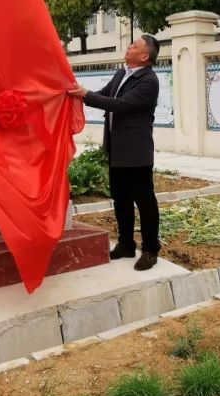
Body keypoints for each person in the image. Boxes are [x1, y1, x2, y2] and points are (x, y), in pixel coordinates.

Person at [69, 35, 161, 271]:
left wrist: (84, 95)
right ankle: (126, 244)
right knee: (121, 200)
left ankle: (150, 249)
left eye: (134, 46)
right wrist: (76, 92)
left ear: (144, 56)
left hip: (137, 152)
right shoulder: (122, 73)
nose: (128, 47)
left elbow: (121, 104)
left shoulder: (148, 81)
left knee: (145, 202)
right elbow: (106, 94)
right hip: (117, 149)